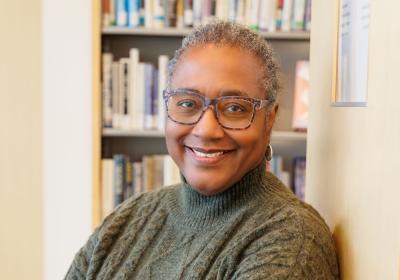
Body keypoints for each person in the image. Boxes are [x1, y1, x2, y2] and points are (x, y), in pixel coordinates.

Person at [65, 21, 339, 279]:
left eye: (234, 108)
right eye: (187, 104)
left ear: (268, 120)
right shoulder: (125, 222)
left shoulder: (292, 236)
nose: (206, 130)